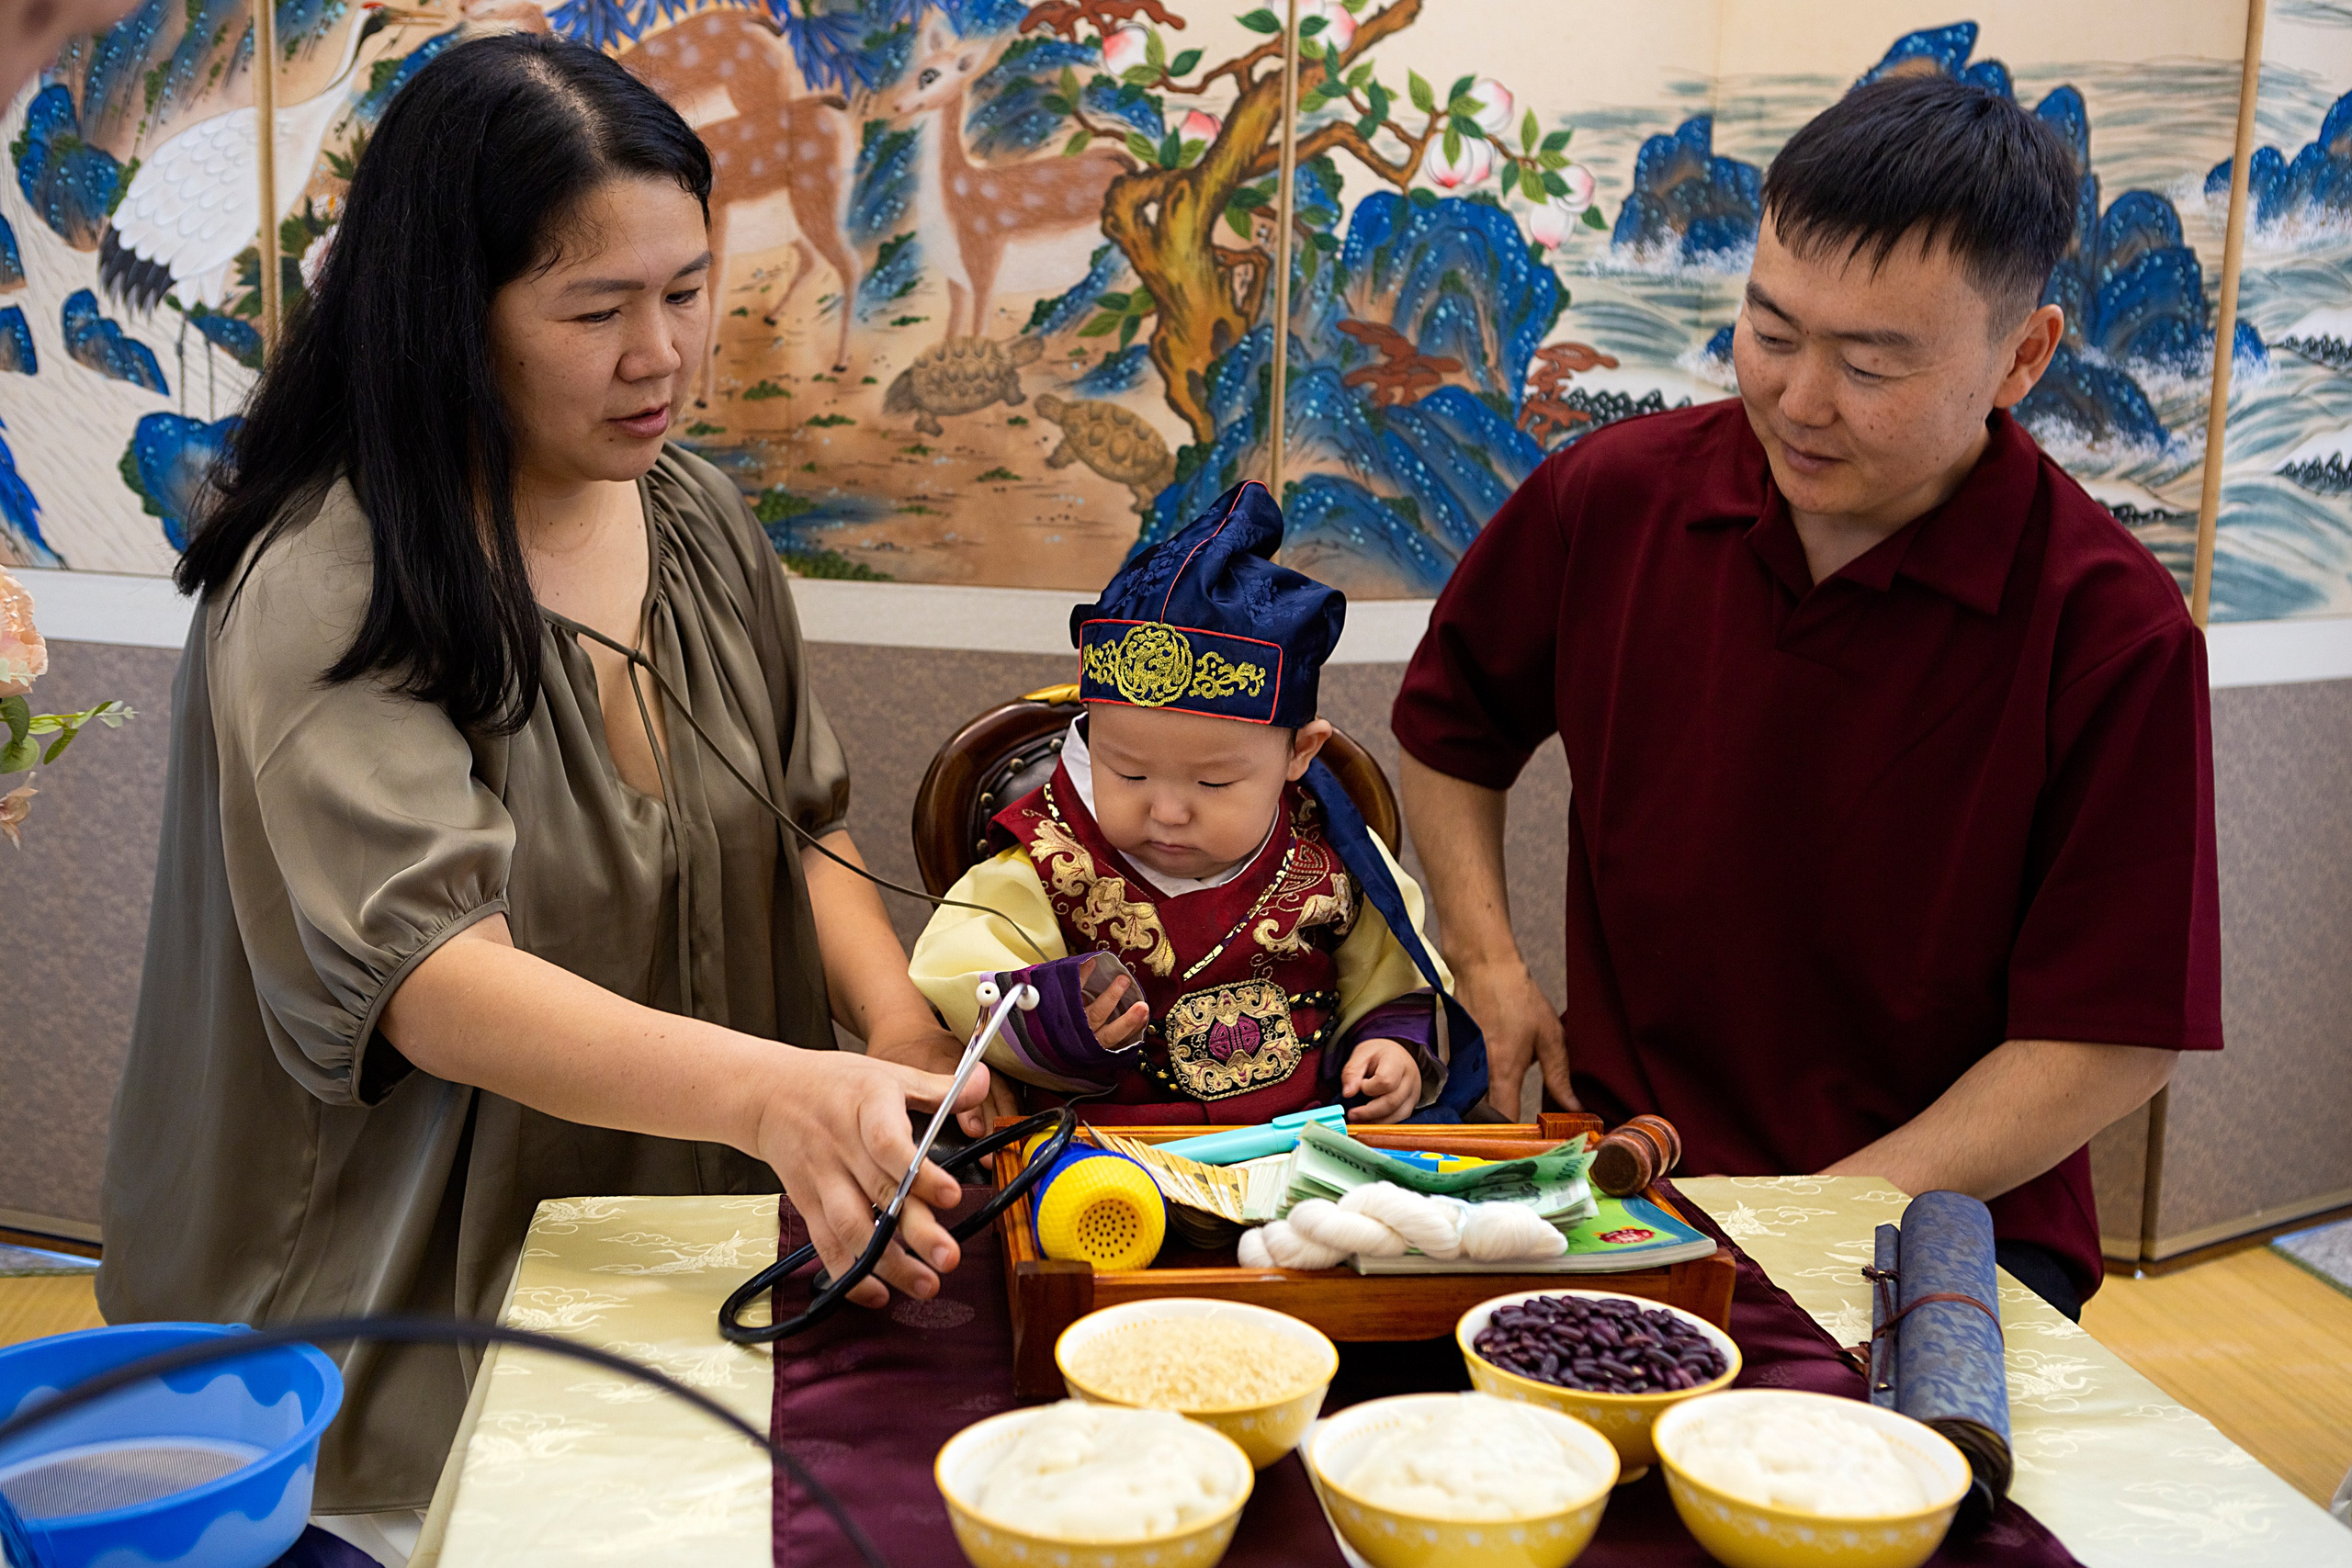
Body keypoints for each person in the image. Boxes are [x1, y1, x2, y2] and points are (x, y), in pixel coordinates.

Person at [97, 33, 990, 1546]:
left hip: (670, 1255)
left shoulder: (697, 519)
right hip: (389, 1327)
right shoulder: (324, 580)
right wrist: (785, 1088)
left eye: (687, 289)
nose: (664, 353)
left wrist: (897, 1033)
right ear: (454, 315)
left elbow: (803, 820)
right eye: (597, 308)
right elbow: (434, 981)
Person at [1392, 75, 2221, 1320]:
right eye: (1771, 332)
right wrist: (1490, 962)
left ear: (2025, 356)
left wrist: (1803, 1222)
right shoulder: (1612, 498)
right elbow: (1451, 727)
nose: (1798, 398)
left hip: (1947, 1224)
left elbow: (2111, 1036)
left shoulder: (2111, 628)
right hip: (1625, 1166)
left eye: (1872, 362)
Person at [910, 481, 1483, 1125]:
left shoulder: (1329, 852)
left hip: (1300, 1156)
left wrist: (1389, 1050)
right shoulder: (1048, 855)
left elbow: (1390, 980)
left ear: (1301, 753)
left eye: (1213, 785)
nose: (1170, 811)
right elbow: (959, 964)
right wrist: (1055, 1011)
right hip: (1106, 1163)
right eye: (1126, 772)